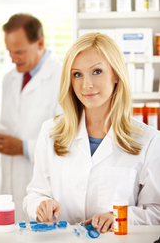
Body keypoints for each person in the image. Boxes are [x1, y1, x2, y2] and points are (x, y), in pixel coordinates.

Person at [23, 32, 160, 233]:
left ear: (115, 74)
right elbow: (36, 193)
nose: (86, 84)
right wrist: (41, 206)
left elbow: (156, 211)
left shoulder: (148, 140)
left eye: (96, 71)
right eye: (77, 74)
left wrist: (117, 217)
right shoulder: (51, 132)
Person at [0, 13, 62, 221]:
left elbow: (66, 141)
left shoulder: (63, 78)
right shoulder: (9, 78)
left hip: (43, 193)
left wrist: (22, 147)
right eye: (9, 52)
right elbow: (13, 126)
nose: (12, 59)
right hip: (9, 186)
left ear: (40, 43)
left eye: (19, 52)